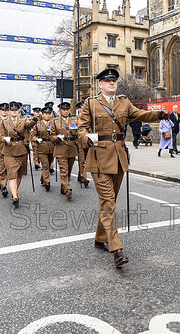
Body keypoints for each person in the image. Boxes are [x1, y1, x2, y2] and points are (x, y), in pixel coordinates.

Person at [77, 68, 167, 267]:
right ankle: (116, 248)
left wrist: (158, 115)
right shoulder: (90, 103)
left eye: (114, 81)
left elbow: (139, 114)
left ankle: (100, 237)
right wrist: (86, 138)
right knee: (108, 202)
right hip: (99, 157)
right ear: (100, 84)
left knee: (109, 201)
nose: (112, 84)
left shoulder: (124, 102)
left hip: (118, 157)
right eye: (107, 81)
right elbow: (81, 128)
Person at [0, 101, 36, 207]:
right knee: (12, 175)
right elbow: (1, 136)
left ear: (18, 111)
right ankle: (15, 196)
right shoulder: (3, 122)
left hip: (22, 149)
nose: (13, 112)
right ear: (8, 111)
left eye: (15, 110)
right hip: (9, 150)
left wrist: (35, 120)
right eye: (11, 110)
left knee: (19, 174)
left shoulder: (23, 120)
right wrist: (5, 139)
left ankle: (14, 191)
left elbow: (29, 124)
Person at [52, 102, 79, 199]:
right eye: (64, 110)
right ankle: (68, 188)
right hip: (61, 148)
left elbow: (78, 133)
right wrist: (57, 137)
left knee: (69, 170)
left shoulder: (74, 120)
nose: (66, 111)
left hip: (71, 148)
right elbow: (51, 136)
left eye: (67, 109)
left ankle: (63, 187)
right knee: (63, 169)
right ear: (60, 111)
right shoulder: (55, 121)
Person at [31, 106, 56, 191]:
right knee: (45, 165)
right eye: (46, 114)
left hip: (51, 146)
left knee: (48, 164)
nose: (48, 115)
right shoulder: (38, 124)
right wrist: (36, 139)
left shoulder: (54, 123)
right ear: (42, 114)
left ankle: (43, 178)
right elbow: (32, 135)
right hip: (41, 147)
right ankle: (47, 182)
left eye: (49, 114)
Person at [74, 101, 90, 188]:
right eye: (81, 108)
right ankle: (84, 178)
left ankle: (80, 175)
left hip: (87, 141)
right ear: (78, 109)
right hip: (79, 141)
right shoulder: (75, 119)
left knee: (85, 160)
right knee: (82, 159)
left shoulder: (89, 118)